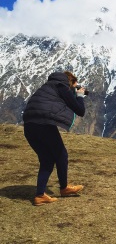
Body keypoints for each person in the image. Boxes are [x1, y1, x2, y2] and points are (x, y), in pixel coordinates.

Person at [23, 71, 86, 205]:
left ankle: (40, 195)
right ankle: (64, 188)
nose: (75, 88)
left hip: (28, 125)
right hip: (43, 123)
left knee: (47, 159)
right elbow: (80, 110)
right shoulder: (62, 86)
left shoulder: (48, 86)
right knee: (61, 155)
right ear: (71, 82)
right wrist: (79, 96)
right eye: (75, 85)